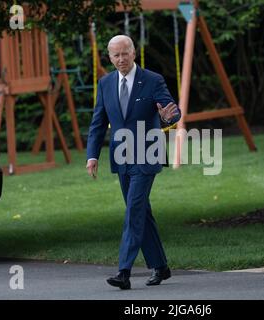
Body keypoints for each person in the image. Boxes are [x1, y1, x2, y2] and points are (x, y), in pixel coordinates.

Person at [86, 35, 181, 290]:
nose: (120, 59)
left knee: (133, 210)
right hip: (121, 157)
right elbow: (97, 123)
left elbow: (173, 110)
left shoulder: (152, 80)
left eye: (124, 54)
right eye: (115, 55)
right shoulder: (105, 83)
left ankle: (124, 271)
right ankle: (160, 266)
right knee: (141, 212)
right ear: (109, 57)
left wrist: (166, 116)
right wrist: (92, 155)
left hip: (147, 155)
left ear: (133, 53)